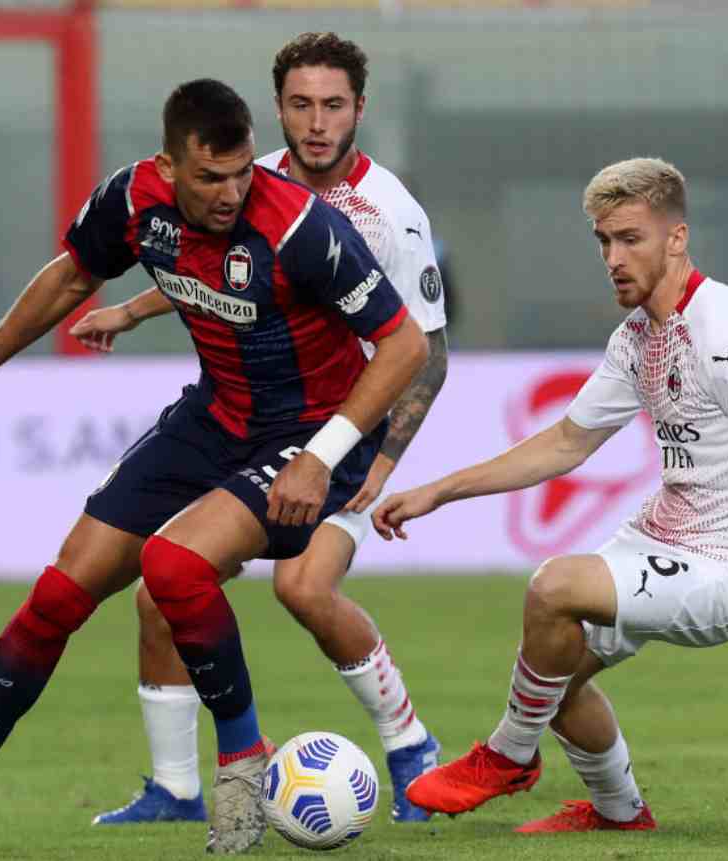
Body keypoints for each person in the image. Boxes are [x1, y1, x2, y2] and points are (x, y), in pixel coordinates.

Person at [0, 78, 428, 856]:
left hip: (311, 434)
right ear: (168, 166)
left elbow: (405, 346)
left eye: (242, 172)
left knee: (174, 566)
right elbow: (71, 276)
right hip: (217, 417)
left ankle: (242, 764)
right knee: (56, 594)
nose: (231, 192)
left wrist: (321, 457)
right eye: (210, 177)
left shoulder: (300, 225)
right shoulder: (132, 201)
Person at [374, 157, 728, 834]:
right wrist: (439, 490)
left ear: (676, 238)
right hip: (663, 534)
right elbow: (565, 442)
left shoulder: (725, 331)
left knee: (553, 586)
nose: (614, 257)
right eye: (604, 241)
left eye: (630, 239)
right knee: (553, 667)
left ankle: (508, 754)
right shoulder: (637, 335)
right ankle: (620, 812)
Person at [75, 33, 449, 828]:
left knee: (304, 586)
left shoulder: (389, 213)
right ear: (278, 108)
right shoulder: (251, 180)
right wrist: (135, 308)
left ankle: (410, 743)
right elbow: (213, 274)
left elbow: (427, 353)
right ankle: (174, 789)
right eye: (303, 105)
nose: (318, 123)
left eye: (335, 105)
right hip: (252, 425)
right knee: (159, 591)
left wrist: (378, 460)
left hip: (340, 435)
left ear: (359, 110)